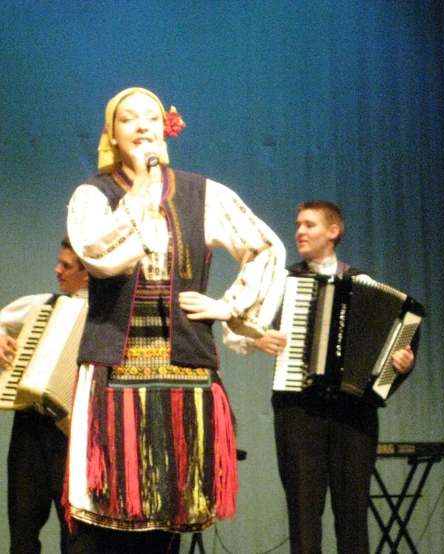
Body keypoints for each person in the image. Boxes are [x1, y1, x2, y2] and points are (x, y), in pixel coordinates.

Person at [64, 87, 285, 553]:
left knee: (168, 511)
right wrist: (141, 196)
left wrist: (231, 307)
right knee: (104, 514)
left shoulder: (202, 193)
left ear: (166, 127)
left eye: (151, 117)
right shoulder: (94, 193)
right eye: (129, 119)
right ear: (113, 134)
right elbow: (97, 256)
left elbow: (265, 247)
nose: (142, 125)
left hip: (183, 364)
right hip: (114, 361)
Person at [225, 200, 416, 554]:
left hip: (353, 413)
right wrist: (257, 336)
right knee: (303, 514)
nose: (299, 231)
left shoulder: (362, 282)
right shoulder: (283, 281)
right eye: (298, 224)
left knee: (353, 514)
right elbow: (234, 329)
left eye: (309, 225)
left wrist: (401, 363)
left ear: (333, 231)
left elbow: (393, 351)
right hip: (298, 409)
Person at [0, 237, 89, 554]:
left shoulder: (105, 321)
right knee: (22, 531)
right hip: (30, 430)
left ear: (87, 273)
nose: (57, 270)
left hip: (75, 436)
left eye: (66, 266)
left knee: (76, 536)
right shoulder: (40, 305)